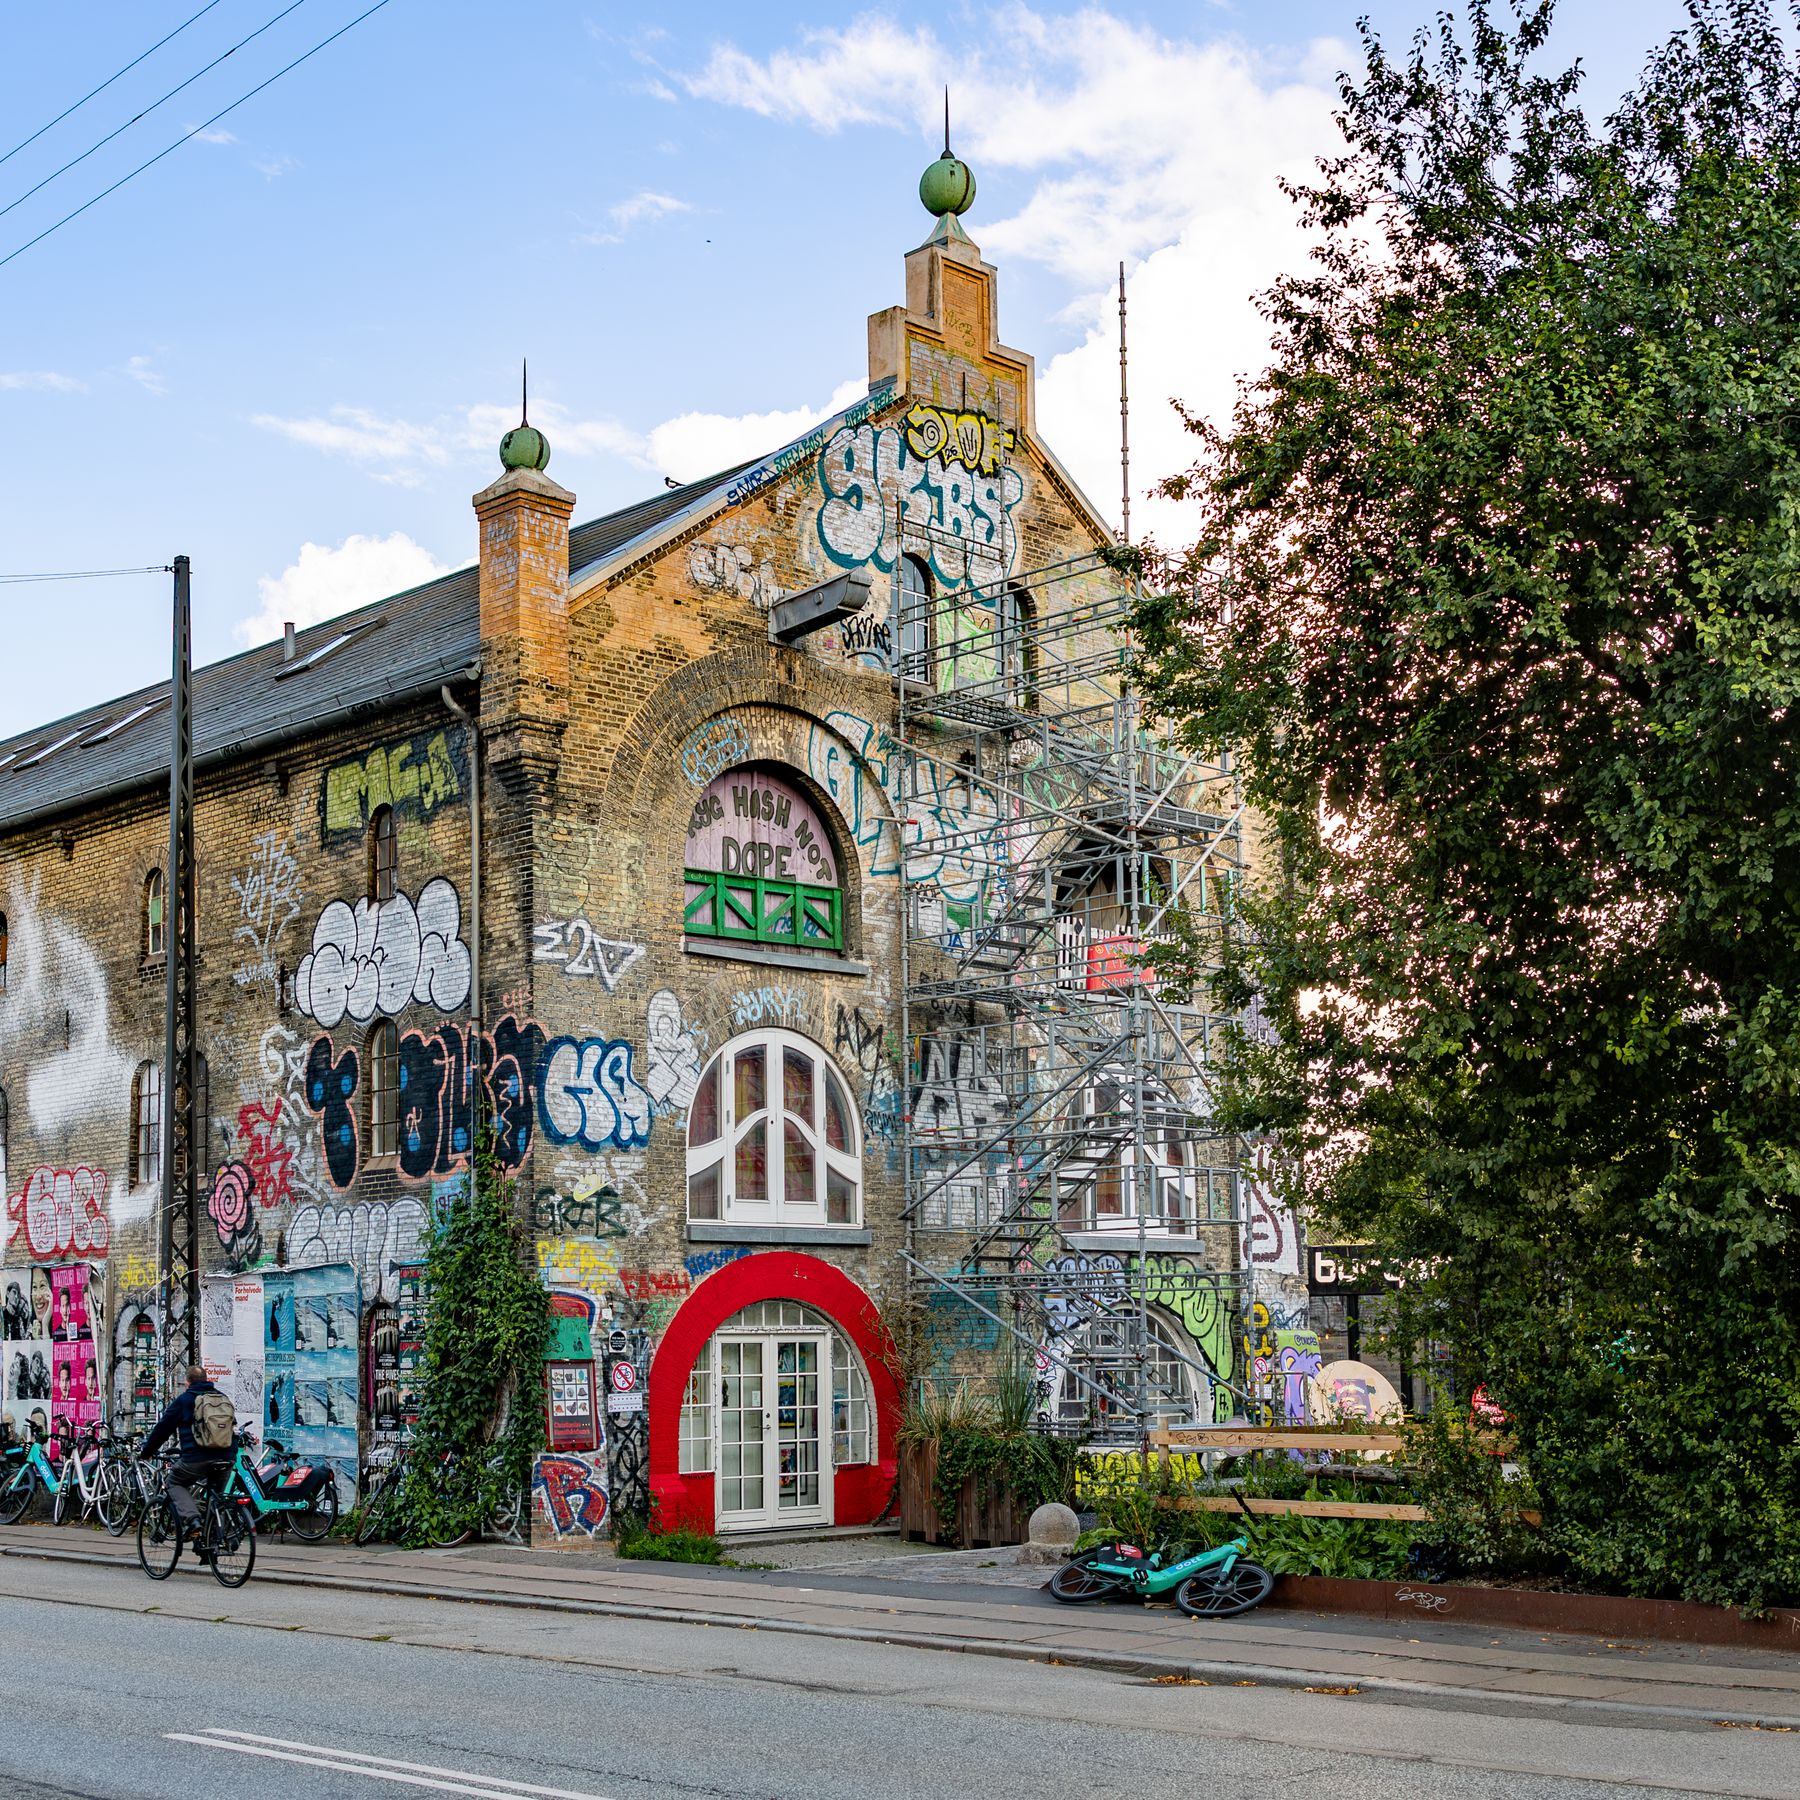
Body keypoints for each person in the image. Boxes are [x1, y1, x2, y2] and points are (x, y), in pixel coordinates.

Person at [142, 1366, 233, 1541]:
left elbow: (162, 1429)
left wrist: (147, 1452)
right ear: (206, 1379)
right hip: (226, 1457)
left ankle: (192, 1520)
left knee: (173, 1482)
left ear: (187, 1382)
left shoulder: (184, 1400)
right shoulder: (222, 1398)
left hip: (196, 1458)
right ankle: (218, 1540)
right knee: (216, 1499)